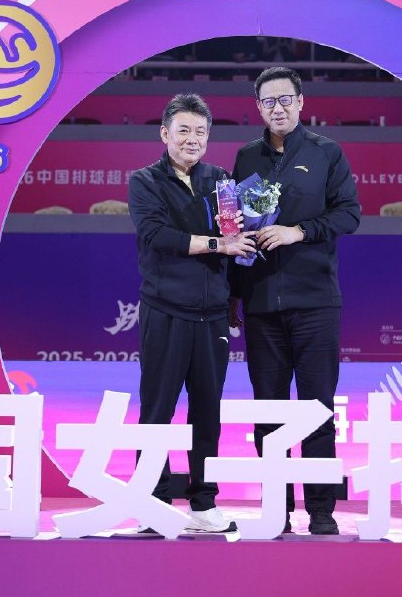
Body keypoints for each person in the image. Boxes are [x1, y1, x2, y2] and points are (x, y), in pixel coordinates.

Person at [230, 66, 362, 535]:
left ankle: (321, 510)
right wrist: (234, 295)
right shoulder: (246, 157)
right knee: (268, 410)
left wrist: (298, 231)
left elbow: (349, 215)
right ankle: (277, 509)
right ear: (258, 107)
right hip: (261, 304)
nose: (278, 108)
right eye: (268, 101)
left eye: (285, 99)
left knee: (316, 409)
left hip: (315, 302)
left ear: (301, 101)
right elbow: (235, 227)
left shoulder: (327, 152)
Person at [127, 94, 257, 534]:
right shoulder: (145, 181)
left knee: (207, 412)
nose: (192, 139)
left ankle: (204, 503)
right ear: (165, 133)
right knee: (157, 410)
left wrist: (233, 296)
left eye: (200, 131)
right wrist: (219, 244)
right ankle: (154, 502)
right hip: (165, 311)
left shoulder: (221, 181)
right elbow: (157, 235)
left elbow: (236, 238)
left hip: (212, 316)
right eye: (183, 130)